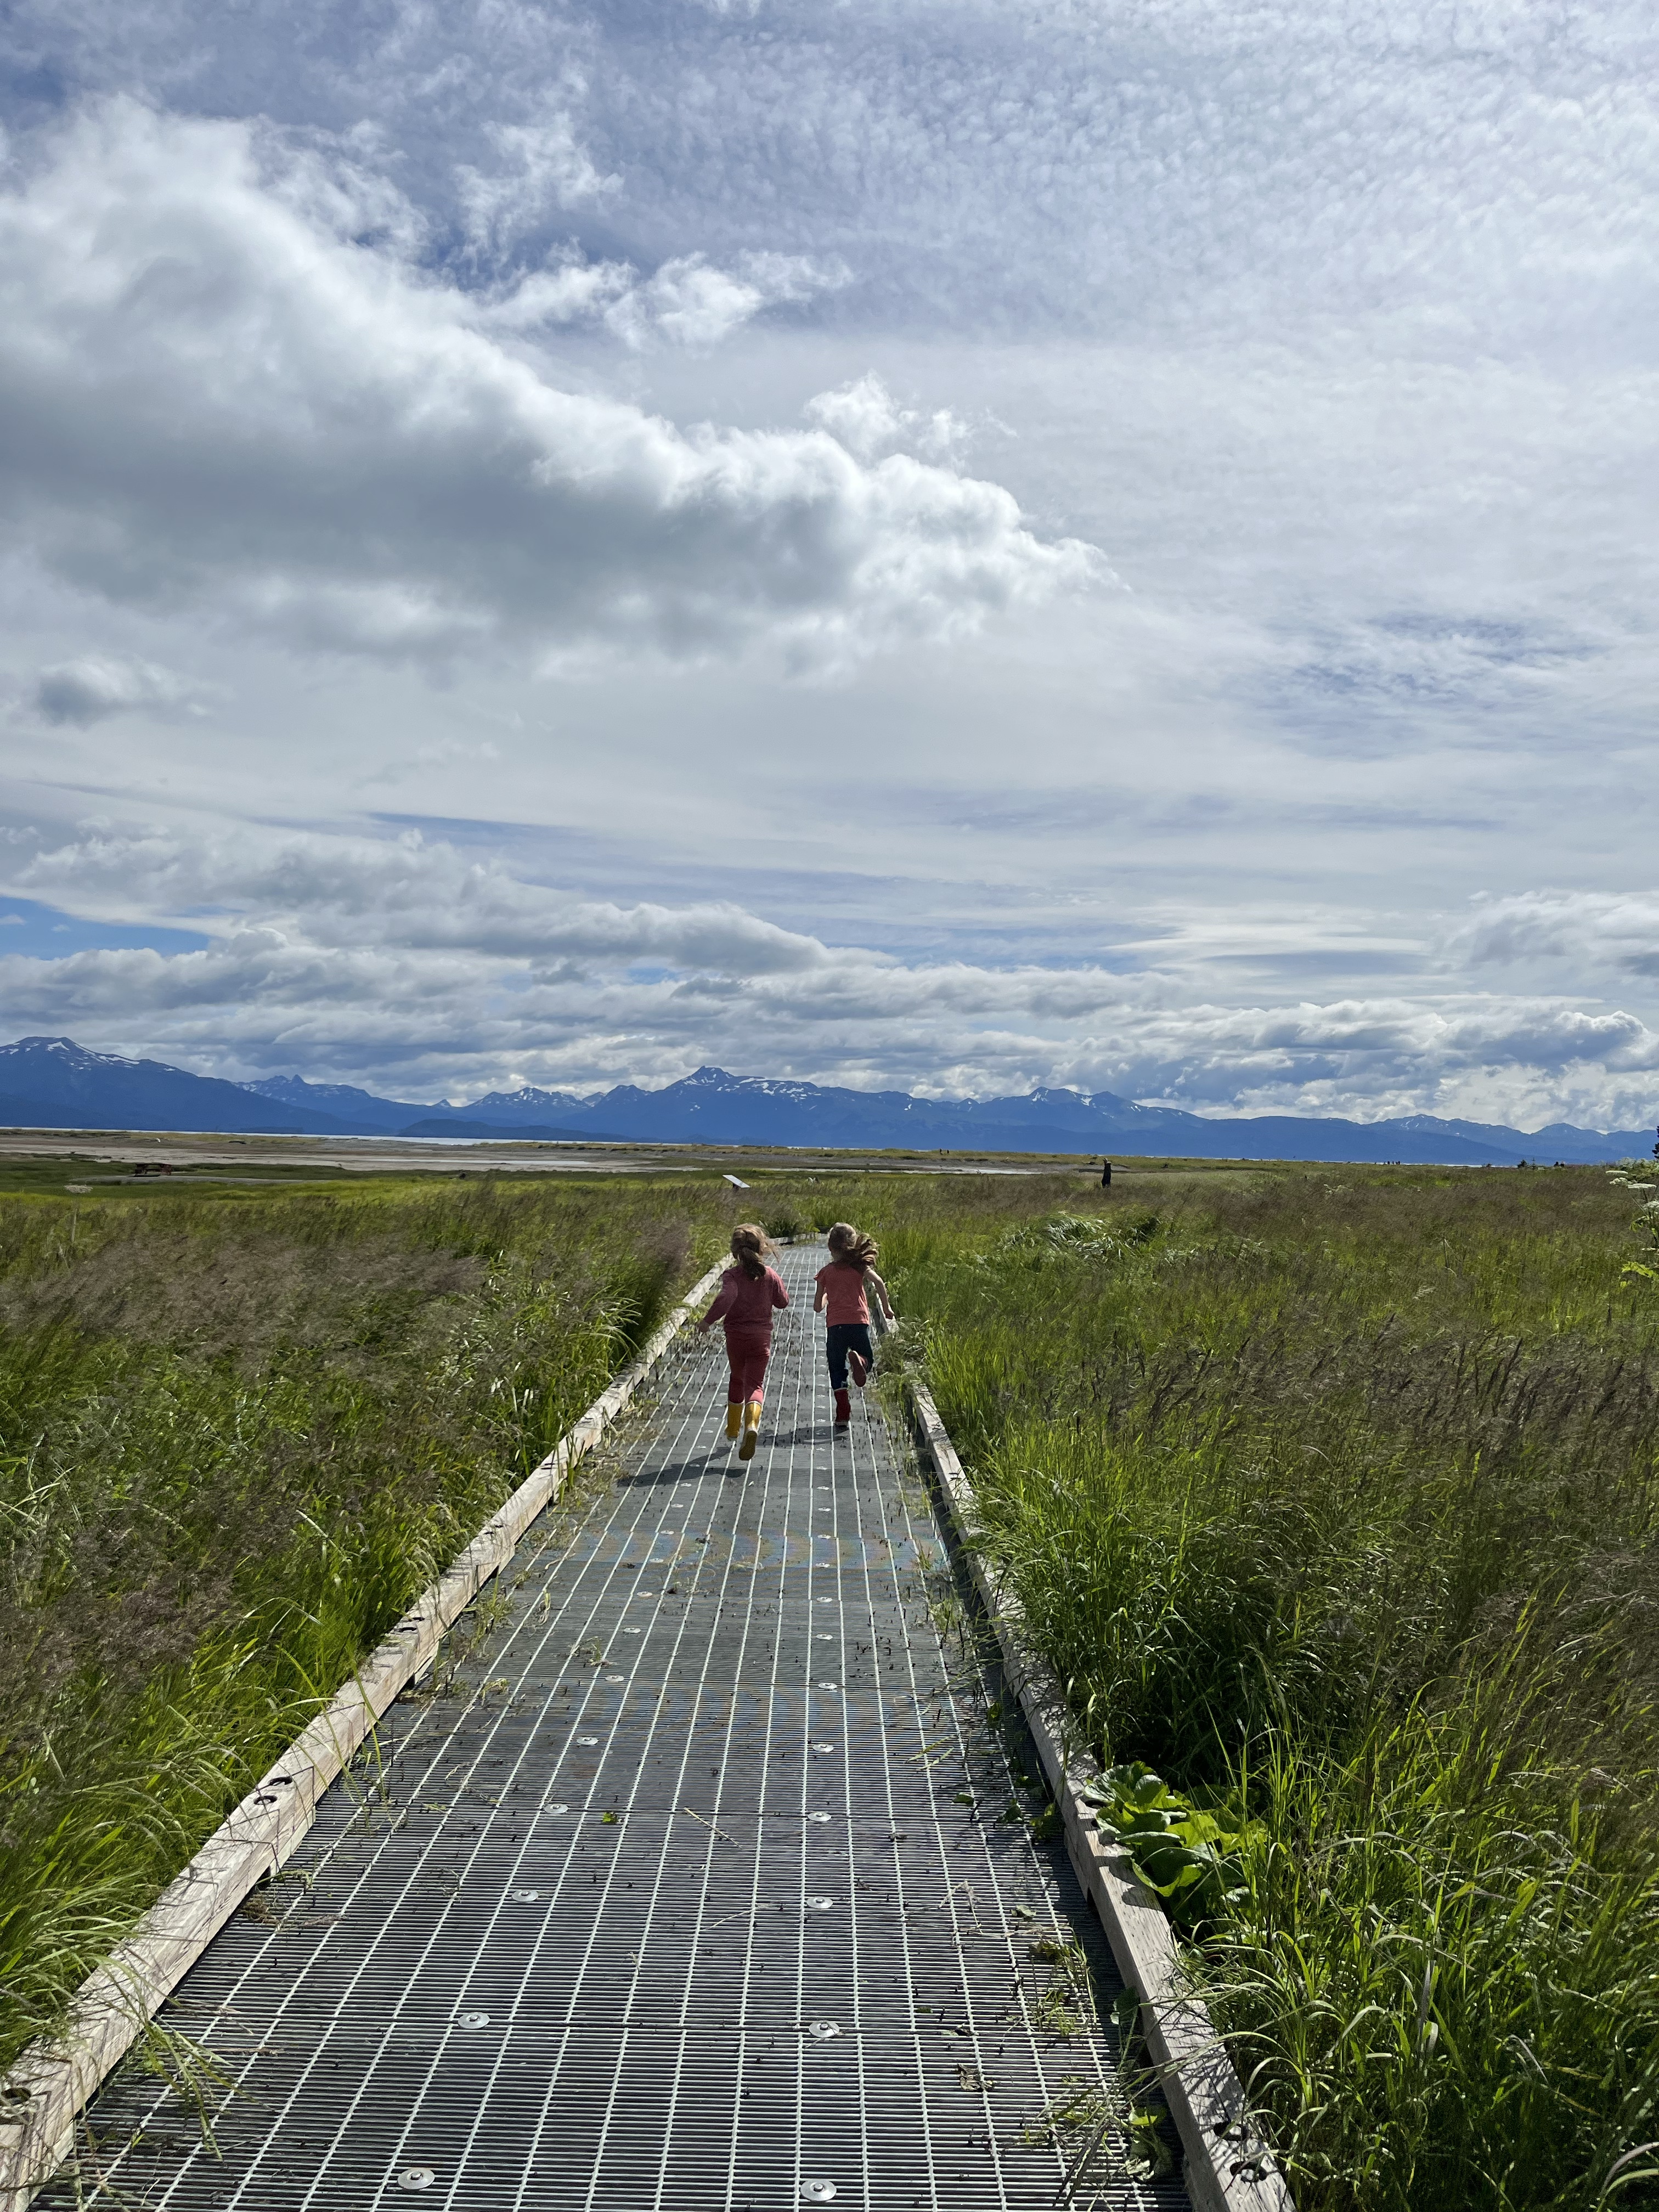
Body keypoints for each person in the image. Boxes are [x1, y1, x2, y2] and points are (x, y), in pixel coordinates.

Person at [695, 1224, 789, 1461]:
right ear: (761, 1248)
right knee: (756, 1385)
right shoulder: (770, 1274)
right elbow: (783, 1302)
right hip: (761, 1339)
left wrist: (707, 1321)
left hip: (736, 1338)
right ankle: (752, 1426)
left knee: (737, 1379)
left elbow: (727, 1297)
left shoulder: (732, 1276)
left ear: (734, 1251)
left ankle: (732, 1430)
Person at [814, 1222, 895, 1431]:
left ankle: (842, 1412)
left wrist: (827, 1295)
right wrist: (887, 1308)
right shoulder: (859, 1267)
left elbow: (817, 1307)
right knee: (869, 1359)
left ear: (830, 1247)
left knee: (836, 1368)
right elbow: (879, 1283)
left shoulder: (825, 1273)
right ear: (852, 1244)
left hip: (836, 1327)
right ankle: (861, 1361)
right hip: (858, 1322)